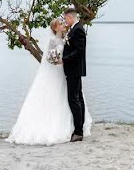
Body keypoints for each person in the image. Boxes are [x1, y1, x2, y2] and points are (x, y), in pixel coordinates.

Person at [6, 17, 91, 145]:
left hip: (66, 71)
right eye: (60, 24)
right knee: (59, 97)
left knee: (71, 98)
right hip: (57, 71)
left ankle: (76, 127)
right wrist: (57, 60)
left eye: (63, 23)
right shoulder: (53, 40)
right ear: (55, 28)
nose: (63, 25)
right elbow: (50, 58)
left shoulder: (66, 37)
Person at [62, 7, 88, 142]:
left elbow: (79, 51)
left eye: (65, 18)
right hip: (74, 70)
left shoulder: (78, 29)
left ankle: (78, 132)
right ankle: (79, 129)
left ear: (70, 17)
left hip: (74, 69)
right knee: (78, 98)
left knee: (74, 99)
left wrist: (63, 59)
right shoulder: (74, 28)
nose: (64, 20)